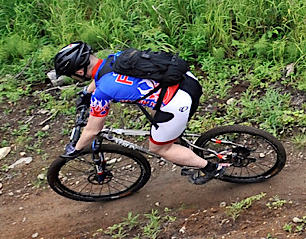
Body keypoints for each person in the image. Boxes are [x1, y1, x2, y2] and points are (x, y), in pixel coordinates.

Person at [52, 42, 223, 185]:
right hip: (185, 80)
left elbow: (92, 130)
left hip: (179, 102)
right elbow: (102, 78)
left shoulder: (102, 92)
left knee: (159, 148)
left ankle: (211, 168)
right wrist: (86, 93)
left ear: (79, 72)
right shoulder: (115, 58)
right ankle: (179, 143)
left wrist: (76, 148)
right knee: (156, 113)